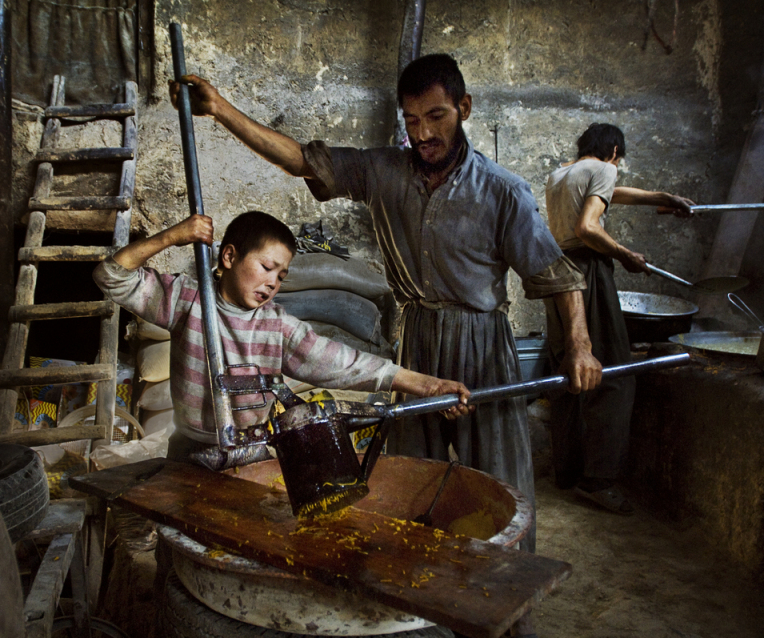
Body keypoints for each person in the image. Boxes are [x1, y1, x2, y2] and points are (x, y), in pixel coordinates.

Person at [168, 53, 602, 554]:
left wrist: (580, 346)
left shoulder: (503, 192)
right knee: (412, 476)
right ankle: (419, 603)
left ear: (463, 108)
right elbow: (300, 160)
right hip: (417, 335)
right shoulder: (382, 171)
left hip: (483, 342)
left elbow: (557, 276)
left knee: (501, 479)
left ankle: (508, 598)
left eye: (436, 117)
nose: (423, 134)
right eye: (412, 121)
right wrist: (220, 108)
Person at [93, 210, 472, 468]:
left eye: (282, 275)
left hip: (253, 453)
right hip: (191, 450)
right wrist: (173, 235)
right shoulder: (188, 301)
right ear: (228, 257)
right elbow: (111, 276)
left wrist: (427, 385)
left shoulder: (278, 326)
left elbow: (344, 363)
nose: (273, 282)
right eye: (266, 267)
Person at [544, 123, 693, 514]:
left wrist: (663, 197)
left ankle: (569, 472)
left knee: (568, 372)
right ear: (613, 150)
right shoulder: (605, 169)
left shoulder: (561, 173)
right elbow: (588, 227)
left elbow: (613, 195)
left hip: (558, 273)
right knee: (613, 374)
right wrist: (625, 254)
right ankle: (599, 480)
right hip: (589, 270)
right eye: (619, 159)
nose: (618, 167)